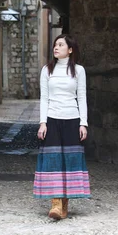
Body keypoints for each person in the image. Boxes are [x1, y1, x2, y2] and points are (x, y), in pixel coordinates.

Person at [33, 34, 91, 220]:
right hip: (52, 119)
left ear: (70, 49)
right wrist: (43, 122)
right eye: (55, 45)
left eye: (60, 45)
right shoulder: (47, 70)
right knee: (53, 162)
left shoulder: (79, 71)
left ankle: (64, 203)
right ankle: (56, 203)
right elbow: (44, 98)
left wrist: (83, 123)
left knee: (70, 161)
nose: (56, 48)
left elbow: (81, 97)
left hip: (72, 119)